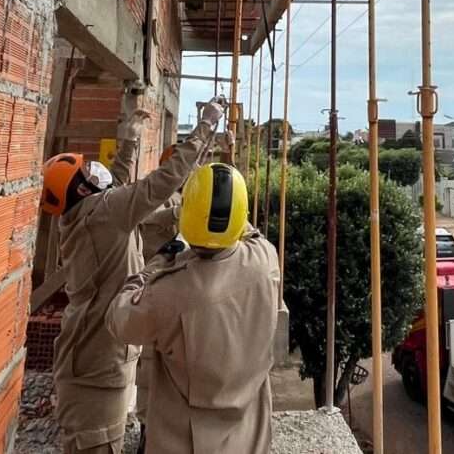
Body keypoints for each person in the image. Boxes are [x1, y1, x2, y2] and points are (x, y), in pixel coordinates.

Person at [42, 99, 226, 454]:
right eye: (87, 170)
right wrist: (205, 126)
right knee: (98, 444)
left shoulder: (88, 214)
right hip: (97, 373)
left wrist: (130, 138)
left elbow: (118, 184)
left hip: (90, 359)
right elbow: (162, 181)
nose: (95, 168)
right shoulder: (105, 213)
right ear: (82, 190)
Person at [106, 162, 280, 454]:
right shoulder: (265, 259)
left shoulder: (170, 294)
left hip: (186, 443)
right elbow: (246, 232)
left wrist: (155, 266)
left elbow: (119, 319)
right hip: (250, 437)